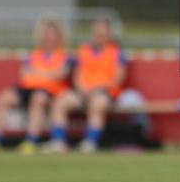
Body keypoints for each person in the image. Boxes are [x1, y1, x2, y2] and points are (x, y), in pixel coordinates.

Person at [0, 18, 72, 154]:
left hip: (49, 90)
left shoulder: (64, 55)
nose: (49, 37)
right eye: (46, 34)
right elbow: (24, 73)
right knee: (5, 97)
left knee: (38, 100)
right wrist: (47, 72)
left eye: (52, 34)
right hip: (27, 87)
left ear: (59, 37)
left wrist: (38, 72)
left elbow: (60, 74)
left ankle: (31, 141)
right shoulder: (34, 55)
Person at [47, 18, 128, 153]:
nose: (99, 35)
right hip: (83, 91)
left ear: (109, 34)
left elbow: (117, 79)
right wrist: (82, 88)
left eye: (102, 33)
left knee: (97, 104)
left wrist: (95, 88)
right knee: (60, 102)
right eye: (97, 32)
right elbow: (78, 74)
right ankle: (59, 142)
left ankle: (90, 142)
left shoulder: (117, 52)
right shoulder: (84, 50)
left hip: (106, 92)